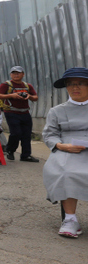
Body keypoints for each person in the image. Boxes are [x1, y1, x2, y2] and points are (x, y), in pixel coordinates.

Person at [42, 67, 88, 238]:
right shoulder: (57, 111)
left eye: (81, 83)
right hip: (68, 150)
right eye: (70, 84)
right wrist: (62, 146)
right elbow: (49, 134)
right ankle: (70, 219)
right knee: (65, 172)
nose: (75, 87)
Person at [0, 66, 39, 162]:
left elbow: (35, 97)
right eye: (14, 73)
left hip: (25, 112)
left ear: (23, 74)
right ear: (11, 74)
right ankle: (10, 150)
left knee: (27, 134)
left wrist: (29, 96)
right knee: (16, 133)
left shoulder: (27, 86)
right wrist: (11, 95)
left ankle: (26, 155)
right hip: (11, 112)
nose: (16, 75)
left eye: (18, 73)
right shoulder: (6, 85)